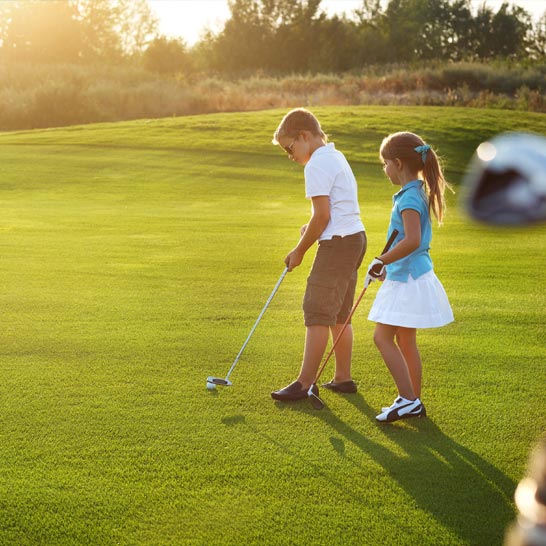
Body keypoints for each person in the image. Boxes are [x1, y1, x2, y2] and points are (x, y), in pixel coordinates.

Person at [270, 108, 366, 402]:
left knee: (316, 311)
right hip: (355, 239)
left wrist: (299, 251)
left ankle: (304, 383)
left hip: (338, 245)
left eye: (290, 148)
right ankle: (342, 378)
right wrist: (310, 227)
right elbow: (329, 212)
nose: (290, 155)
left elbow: (323, 215)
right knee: (339, 314)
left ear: (304, 136)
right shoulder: (335, 156)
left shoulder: (315, 165)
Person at [366, 131, 454, 422]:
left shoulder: (409, 199)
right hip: (409, 274)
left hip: (407, 279)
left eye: (385, 163)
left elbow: (412, 239)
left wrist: (381, 260)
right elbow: (408, 239)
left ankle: (408, 400)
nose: (384, 169)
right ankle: (412, 400)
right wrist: (386, 265)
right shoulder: (414, 193)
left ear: (399, 163)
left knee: (382, 337)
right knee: (405, 341)